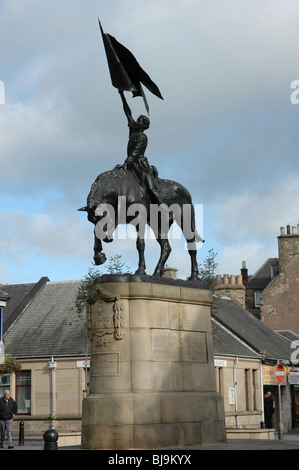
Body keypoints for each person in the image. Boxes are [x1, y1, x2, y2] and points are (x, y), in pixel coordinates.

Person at [118, 89, 162, 204]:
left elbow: (135, 153)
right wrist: (122, 95)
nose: (136, 121)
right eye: (137, 120)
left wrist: (125, 163)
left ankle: (164, 209)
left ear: (143, 125)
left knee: (151, 189)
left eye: (139, 121)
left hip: (140, 165)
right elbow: (127, 112)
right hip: (131, 164)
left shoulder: (143, 137)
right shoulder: (133, 130)